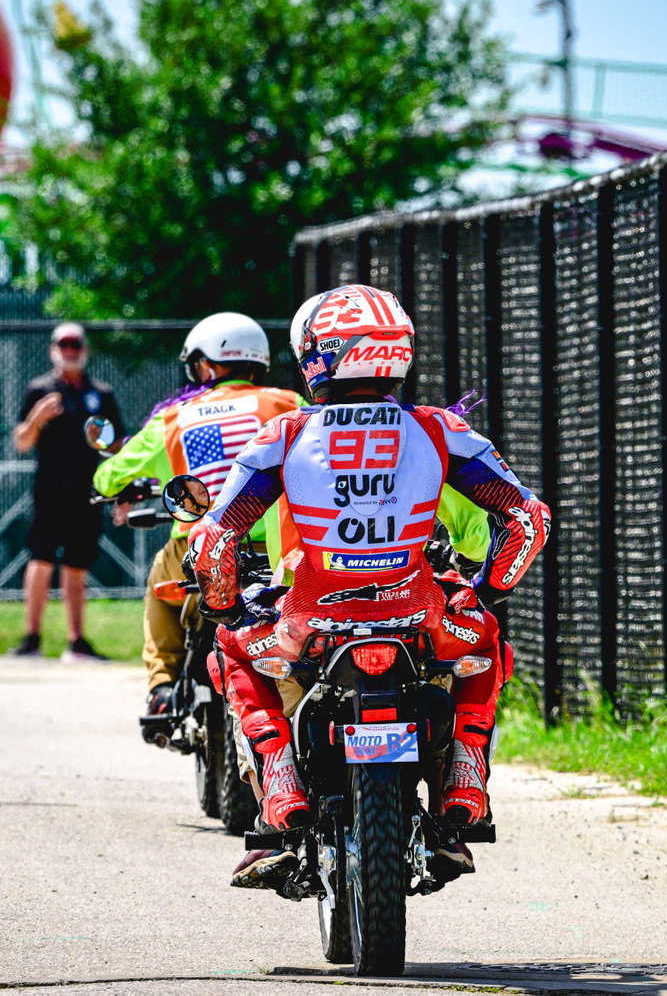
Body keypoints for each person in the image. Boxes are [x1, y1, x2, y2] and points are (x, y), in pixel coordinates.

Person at [187, 284, 550, 888]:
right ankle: (464, 773)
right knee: (487, 646)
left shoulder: (283, 435)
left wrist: (227, 603)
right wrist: (486, 592)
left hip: (308, 620)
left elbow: (214, 538)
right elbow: (527, 519)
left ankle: (278, 779)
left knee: (229, 650)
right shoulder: (441, 429)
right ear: (399, 351)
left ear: (316, 353)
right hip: (422, 614)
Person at [92, 313, 302, 714]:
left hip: (199, 551)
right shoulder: (287, 403)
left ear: (206, 365)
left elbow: (109, 476)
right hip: (274, 554)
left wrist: (109, 484)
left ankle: (162, 686)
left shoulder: (173, 418)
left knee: (160, 584)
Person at [10, 322, 124, 659]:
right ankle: (32, 638)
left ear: (84, 350)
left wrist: (108, 448)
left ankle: (76, 641)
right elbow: (21, 442)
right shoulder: (40, 389)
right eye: (64, 345)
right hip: (50, 491)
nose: (70, 352)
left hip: (87, 491)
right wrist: (36, 418)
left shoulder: (100, 393)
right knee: (42, 559)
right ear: (53, 349)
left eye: (76, 346)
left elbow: (118, 446)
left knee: (77, 564)